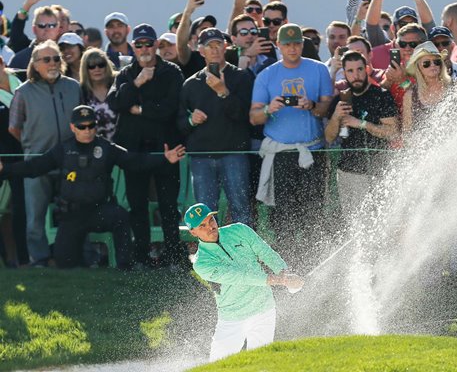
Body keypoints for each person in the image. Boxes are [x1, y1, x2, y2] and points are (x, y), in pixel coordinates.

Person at [0, 105, 185, 269]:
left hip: (100, 211)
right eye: (82, 126)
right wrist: (5, 170)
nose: (87, 130)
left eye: (91, 126)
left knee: (121, 216)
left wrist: (164, 158)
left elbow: (133, 161)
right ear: (73, 127)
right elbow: (34, 167)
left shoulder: (106, 148)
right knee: (65, 263)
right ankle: (84, 259)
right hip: (72, 214)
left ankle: (125, 265)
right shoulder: (62, 150)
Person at [250, 23, 332, 268]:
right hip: (281, 153)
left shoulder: (318, 70)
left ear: (302, 43)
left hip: (312, 150)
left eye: (296, 43)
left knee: (312, 208)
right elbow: (254, 117)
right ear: (279, 45)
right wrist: (268, 108)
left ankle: (313, 261)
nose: (292, 48)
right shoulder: (266, 75)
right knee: (282, 212)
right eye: (287, 44)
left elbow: (326, 107)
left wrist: (311, 106)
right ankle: (286, 262)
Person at [107, 23, 185, 268]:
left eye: (148, 44)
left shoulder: (171, 72)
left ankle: (173, 257)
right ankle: (141, 256)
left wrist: (139, 109)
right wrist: (137, 83)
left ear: (156, 46)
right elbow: (115, 102)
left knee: (168, 207)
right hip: (134, 152)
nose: (143, 49)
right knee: (137, 206)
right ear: (133, 46)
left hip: (166, 150)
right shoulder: (126, 74)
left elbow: (170, 109)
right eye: (138, 44)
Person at [186, 202, 303, 361]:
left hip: (264, 309)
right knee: (218, 366)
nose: (210, 227)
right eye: (202, 226)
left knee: (261, 364)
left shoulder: (240, 230)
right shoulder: (201, 263)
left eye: (211, 220)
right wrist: (275, 280)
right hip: (232, 318)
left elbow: (266, 252)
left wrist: (285, 273)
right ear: (193, 232)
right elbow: (238, 276)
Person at [8, 40, 80, 266]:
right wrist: (33, 146)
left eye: (56, 58)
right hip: (36, 164)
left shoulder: (73, 87)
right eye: (46, 59)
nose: (53, 63)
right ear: (35, 64)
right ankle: (39, 259)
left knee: (76, 214)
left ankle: (74, 257)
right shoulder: (23, 92)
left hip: (70, 162)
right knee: (35, 218)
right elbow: (14, 127)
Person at [178, 28, 254, 226]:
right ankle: (212, 256)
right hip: (201, 158)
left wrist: (223, 92)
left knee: (240, 209)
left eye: (218, 45)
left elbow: (245, 116)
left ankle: (243, 255)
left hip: (234, 155)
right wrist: (191, 120)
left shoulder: (241, 77)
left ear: (225, 46)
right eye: (209, 46)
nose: (214, 50)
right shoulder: (190, 84)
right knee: (204, 215)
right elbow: (179, 124)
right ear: (201, 51)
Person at [325, 51, 398, 215]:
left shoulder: (381, 95)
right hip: (346, 172)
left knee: (375, 224)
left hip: (377, 173)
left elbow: (392, 132)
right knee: (352, 227)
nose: (355, 75)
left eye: (359, 69)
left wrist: (361, 124)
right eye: (350, 71)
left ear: (366, 69)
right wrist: (336, 116)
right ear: (344, 73)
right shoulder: (341, 100)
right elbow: (329, 138)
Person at [0, 55, 27, 266]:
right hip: (4, 160)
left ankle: (25, 258)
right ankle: (8, 259)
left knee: (22, 208)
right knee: (6, 211)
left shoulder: (22, 80)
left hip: (29, 155)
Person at [402, 41, 451, 133]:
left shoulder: (454, 87)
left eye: (436, 62)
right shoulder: (410, 95)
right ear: (418, 67)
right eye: (426, 63)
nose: (433, 65)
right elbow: (407, 131)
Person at [8, 6, 60, 75]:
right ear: (34, 29)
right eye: (42, 25)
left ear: (58, 29)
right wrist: (27, 5)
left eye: (52, 25)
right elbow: (16, 33)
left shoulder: (66, 56)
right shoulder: (19, 59)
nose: (47, 29)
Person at [80, 48, 118, 141]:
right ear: (85, 69)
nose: (97, 69)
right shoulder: (81, 91)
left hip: (121, 146)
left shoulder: (118, 84)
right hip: (93, 148)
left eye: (101, 65)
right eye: (91, 66)